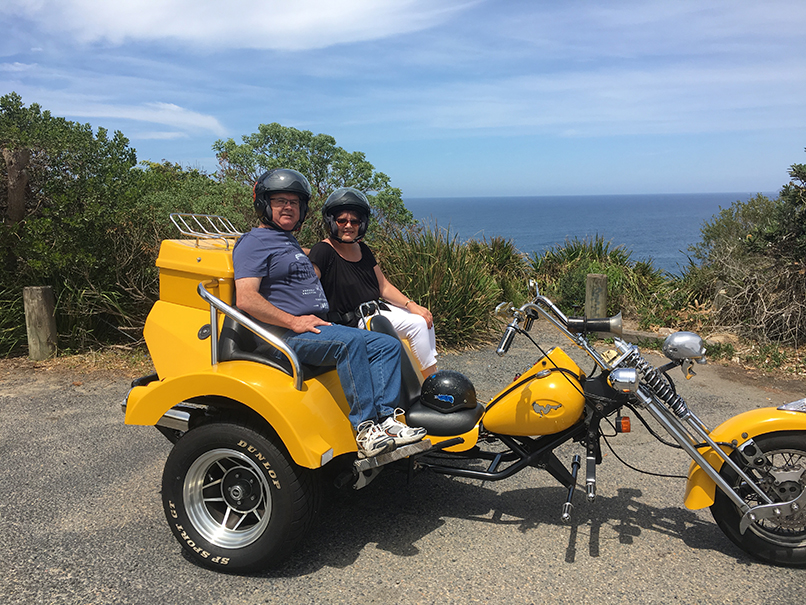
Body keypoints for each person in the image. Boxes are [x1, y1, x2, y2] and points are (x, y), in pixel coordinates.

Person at [232, 168, 426, 458]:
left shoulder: (286, 241)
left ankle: (387, 421)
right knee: (351, 343)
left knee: (387, 345)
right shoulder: (254, 243)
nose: (288, 207)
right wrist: (293, 321)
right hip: (283, 336)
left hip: (316, 327)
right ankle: (366, 429)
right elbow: (246, 299)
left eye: (294, 202)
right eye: (280, 201)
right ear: (264, 204)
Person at [308, 187, 437, 379]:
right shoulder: (323, 250)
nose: (348, 225)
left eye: (354, 221)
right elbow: (308, 285)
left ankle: (429, 375)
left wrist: (412, 305)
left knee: (425, 318)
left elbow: (383, 286)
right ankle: (431, 383)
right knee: (417, 325)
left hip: (375, 310)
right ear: (332, 222)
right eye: (342, 220)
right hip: (352, 321)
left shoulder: (361, 249)